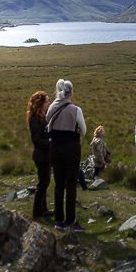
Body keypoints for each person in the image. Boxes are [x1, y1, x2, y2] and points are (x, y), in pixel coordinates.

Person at [45, 78, 87, 232]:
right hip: (71, 150)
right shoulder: (76, 110)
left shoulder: (50, 108)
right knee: (71, 186)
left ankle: (58, 221)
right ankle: (71, 221)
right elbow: (83, 131)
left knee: (58, 185)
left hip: (55, 148)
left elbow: (47, 126)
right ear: (71, 92)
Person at [26, 90, 52, 221]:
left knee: (45, 182)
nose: (49, 103)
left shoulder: (43, 116)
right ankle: (36, 214)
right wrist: (50, 142)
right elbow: (36, 140)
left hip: (45, 155)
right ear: (40, 103)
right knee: (42, 183)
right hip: (41, 156)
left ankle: (44, 209)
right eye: (47, 101)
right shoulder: (35, 119)